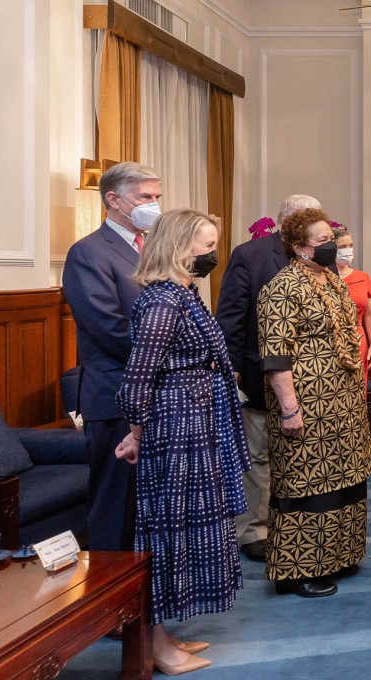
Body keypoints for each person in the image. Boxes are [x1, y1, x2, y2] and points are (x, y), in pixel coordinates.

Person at [114, 209, 250, 676]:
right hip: (175, 429)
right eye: (206, 246)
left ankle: (163, 634)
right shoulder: (164, 301)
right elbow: (137, 380)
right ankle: (151, 645)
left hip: (194, 423)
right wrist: (136, 434)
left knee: (189, 530)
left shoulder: (183, 294)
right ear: (177, 248)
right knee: (169, 532)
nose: (212, 254)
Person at [257, 208, 371, 598]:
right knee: (308, 484)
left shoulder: (332, 282)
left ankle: (338, 556)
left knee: (346, 478)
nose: (332, 245)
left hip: (342, 404)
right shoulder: (282, 287)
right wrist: (289, 408)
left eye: (332, 237)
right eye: (322, 241)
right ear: (297, 247)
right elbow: (275, 357)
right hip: (306, 404)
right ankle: (298, 572)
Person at [216, 194, 323, 563]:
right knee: (259, 453)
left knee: (296, 451)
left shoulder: (320, 258)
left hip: (310, 377)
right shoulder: (251, 255)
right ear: (286, 222)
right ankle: (253, 530)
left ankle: (289, 518)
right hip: (259, 371)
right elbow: (231, 315)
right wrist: (231, 370)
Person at [62, 161, 161, 553]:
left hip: (156, 393)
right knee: (116, 506)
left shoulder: (151, 248)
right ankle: (109, 599)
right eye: (145, 197)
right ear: (114, 200)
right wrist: (168, 356)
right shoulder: (88, 252)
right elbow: (108, 327)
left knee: (149, 505)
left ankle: (146, 599)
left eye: (157, 197)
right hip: (116, 394)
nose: (154, 205)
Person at [333, 226, 371, 384]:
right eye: (342, 247)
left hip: (358, 341)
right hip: (331, 341)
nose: (348, 250)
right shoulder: (324, 277)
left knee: (357, 389)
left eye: (350, 246)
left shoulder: (363, 277)